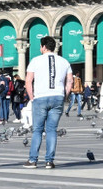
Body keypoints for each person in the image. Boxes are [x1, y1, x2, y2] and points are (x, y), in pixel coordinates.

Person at [23, 36, 73, 169]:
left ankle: (33, 160)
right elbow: (70, 81)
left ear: (44, 47)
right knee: (52, 130)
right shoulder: (64, 61)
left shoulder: (35, 60)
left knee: (38, 130)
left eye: (40, 46)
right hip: (57, 96)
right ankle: (49, 161)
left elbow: (28, 81)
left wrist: (31, 97)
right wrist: (64, 95)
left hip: (40, 97)